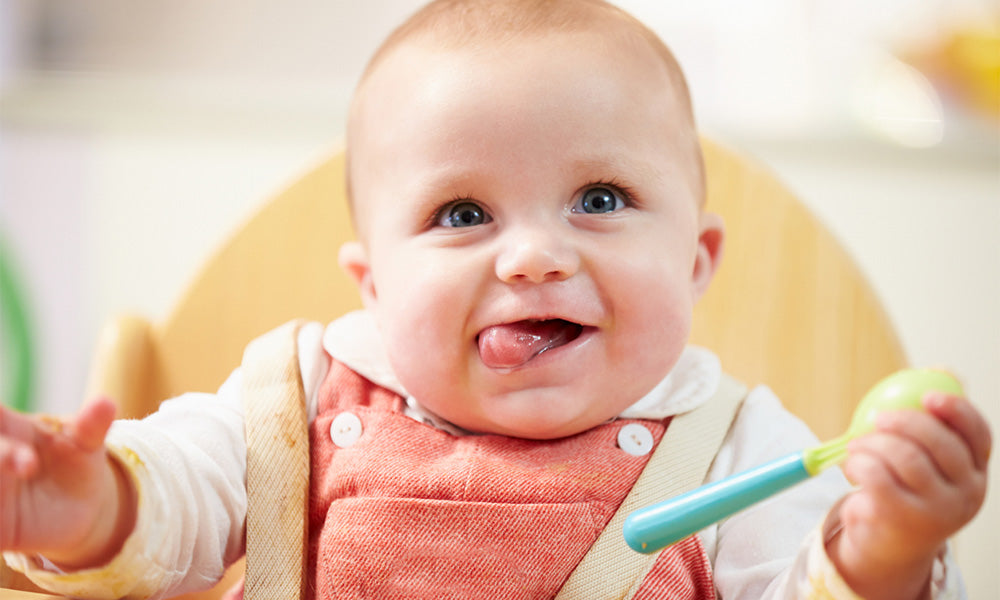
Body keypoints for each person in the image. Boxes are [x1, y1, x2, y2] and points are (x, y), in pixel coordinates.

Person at [1, 0, 991, 598]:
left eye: (600, 199)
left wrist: (885, 551)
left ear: (695, 263)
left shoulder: (742, 448)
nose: (531, 257)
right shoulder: (294, 400)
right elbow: (174, 501)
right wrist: (89, 504)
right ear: (375, 288)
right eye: (462, 211)